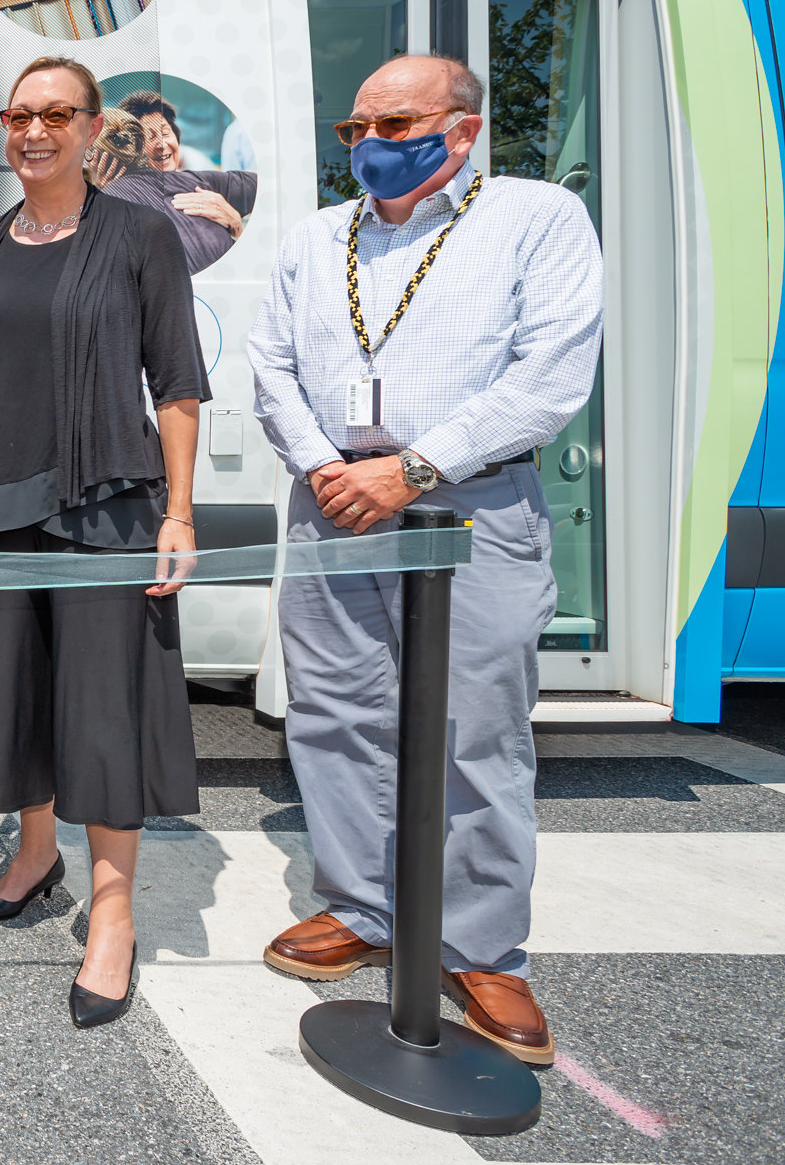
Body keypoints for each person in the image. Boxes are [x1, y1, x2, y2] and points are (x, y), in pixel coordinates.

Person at [247, 53, 603, 1066]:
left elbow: (552, 370)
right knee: (334, 712)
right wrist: (324, 465)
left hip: (468, 504)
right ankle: (358, 906)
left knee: (472, 727)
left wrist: (410, 468)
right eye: (353, 126)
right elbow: (270, 361)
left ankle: (478, 947)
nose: (367, 142)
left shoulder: (532, 218)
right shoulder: (318, 238)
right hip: (329, 506)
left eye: (392, 121)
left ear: (458, 129)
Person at [0, 55, 207, 1029]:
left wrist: (177, 510)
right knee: (11, 699)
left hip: (106, 505)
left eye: (55, 114)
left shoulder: (137, 234)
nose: (33, 130)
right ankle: (36, 853)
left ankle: (114, 911)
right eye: (17, 115)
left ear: (93, 129)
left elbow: (175, 381)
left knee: (99, 711)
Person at [94, 90, 257, 274]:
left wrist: (236, 223)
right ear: (132, 148)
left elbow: (270, 185)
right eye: (149, 137)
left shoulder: (203, 183)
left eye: (165, 132)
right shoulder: (109, 203)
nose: (162, 144)